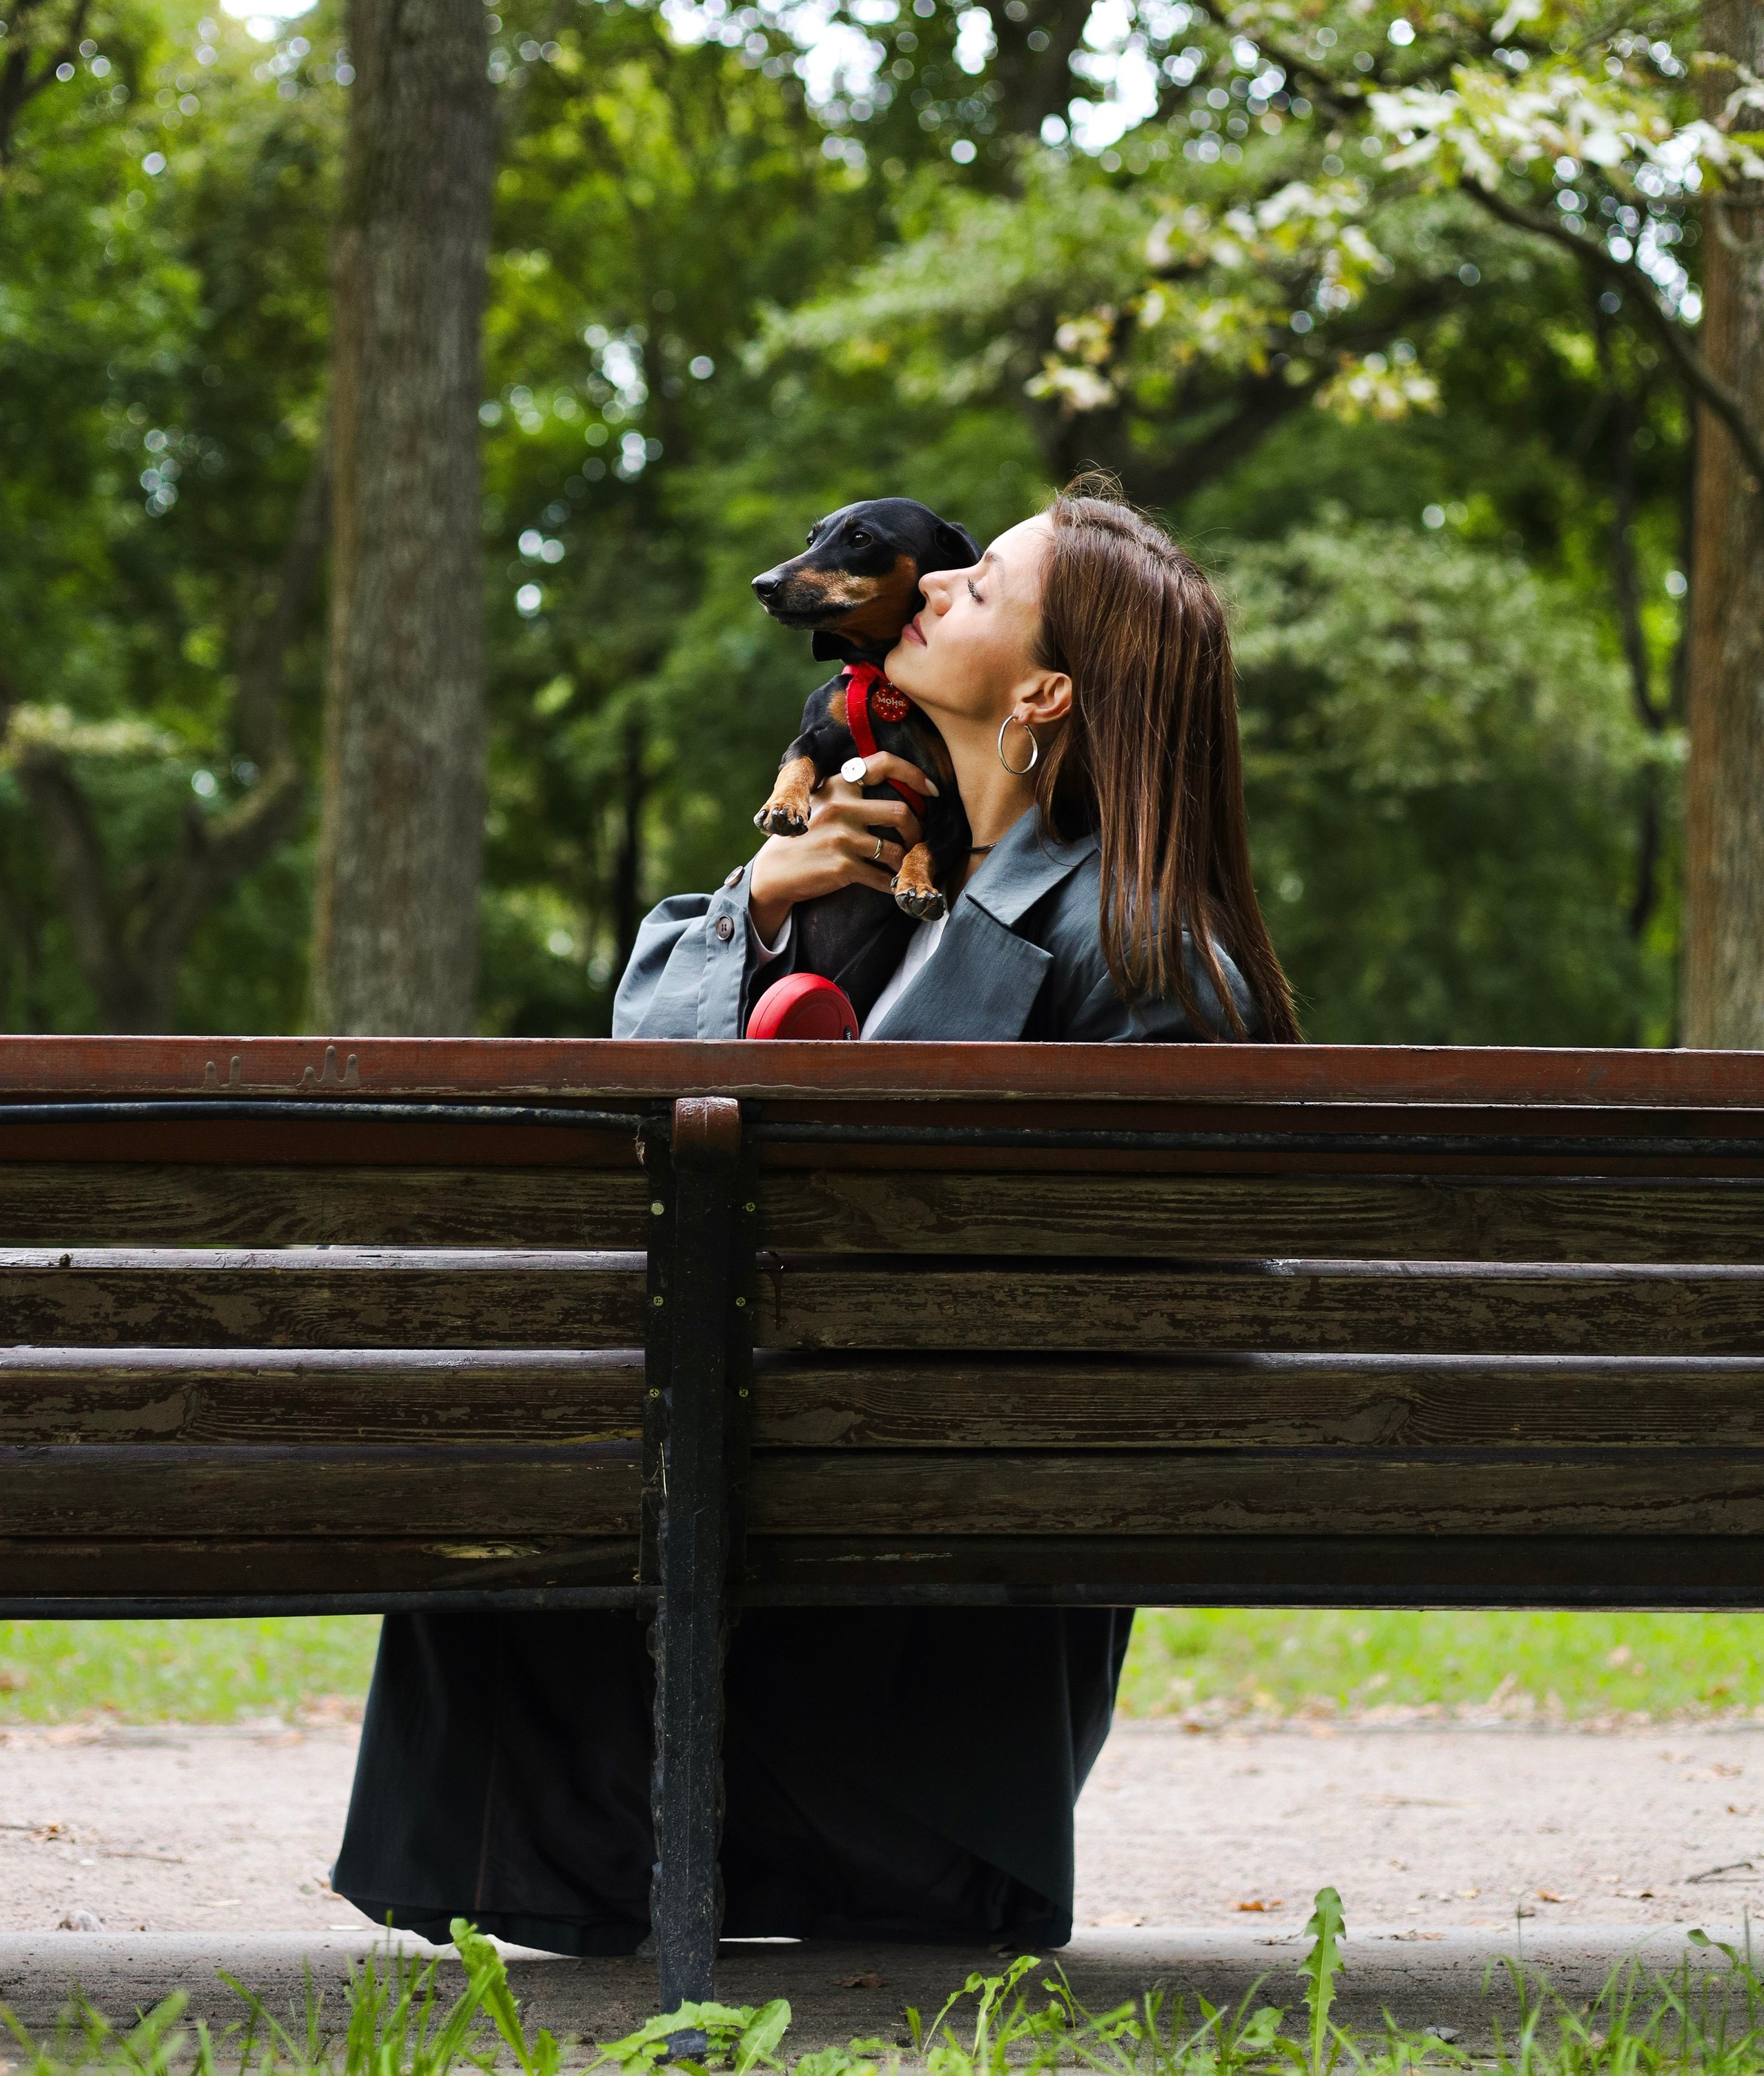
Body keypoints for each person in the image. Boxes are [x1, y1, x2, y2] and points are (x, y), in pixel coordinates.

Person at [331, 476, 1298, 1956]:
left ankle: (640, 1828)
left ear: (1043, 695)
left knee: (538, 1404)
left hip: (930, 1638)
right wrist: (759, 908)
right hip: (870, 1608)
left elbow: (1026, 1293)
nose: (935, 585)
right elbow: (649, 1100)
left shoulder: (1138, 951)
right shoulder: (939, 895)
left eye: (982, 586)